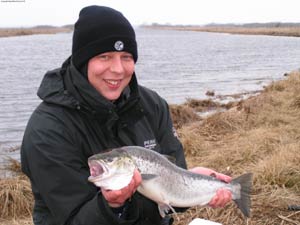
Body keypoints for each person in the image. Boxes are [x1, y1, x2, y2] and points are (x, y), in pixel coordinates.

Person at [21, 5, 232, 225]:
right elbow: (72, 218)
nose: (118, 69)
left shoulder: (152, 105)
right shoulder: (47, 130)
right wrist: (111, 205)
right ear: (83, 61)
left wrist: (194, 184)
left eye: (126, 56)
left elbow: (168, 194)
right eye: (104, 56)